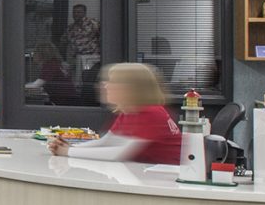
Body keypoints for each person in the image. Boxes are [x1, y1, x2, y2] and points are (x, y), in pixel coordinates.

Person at [47, 62, 180, 164]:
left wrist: (68, 151)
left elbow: (118, 153)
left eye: (112, 81)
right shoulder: (129, 111)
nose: (105, 85)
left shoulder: (150, 113)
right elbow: (106, 142)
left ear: (131, 89)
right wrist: (72, 147)